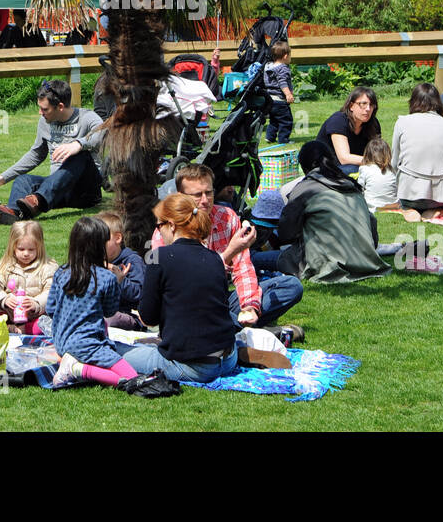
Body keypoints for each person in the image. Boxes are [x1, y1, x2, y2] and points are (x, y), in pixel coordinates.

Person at [152, 163, 303, 328]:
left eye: (208, 193)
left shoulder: (227, 217)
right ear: (181, 196)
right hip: (188, 305)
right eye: (197, 195)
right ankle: (240, 328)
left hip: (221, 299)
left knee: (291, 286)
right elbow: (180, 283)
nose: (205, 200)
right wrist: (229, 253)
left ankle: (237, 324)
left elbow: (243, 267)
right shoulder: (168, 229)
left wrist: (250, 306)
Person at [121, 192, 241, 384]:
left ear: (172, 225)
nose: (158, 232)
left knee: (115, 351)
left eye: (159, 226)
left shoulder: (159, 257)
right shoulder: (214, 258)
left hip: (192, 366)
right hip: (227, 360)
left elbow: (148, 318)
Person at [0, 79, 105, 223]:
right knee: (23, 180)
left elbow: (105, 132)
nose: (40, 113)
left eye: (45, 109)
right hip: (57, 191)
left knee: (80, 156)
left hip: (86, 191)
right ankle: (13, 213)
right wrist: (2, 178)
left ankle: (37, 200)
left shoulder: (86, 117)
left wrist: (79, 144)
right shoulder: (45, 122)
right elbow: (35, 155)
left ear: (60, 106)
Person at [276, 140, 392, 283]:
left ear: (304, 166)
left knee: (258, 258)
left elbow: (285, 233)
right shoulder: (351, 185)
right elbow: (371, 224)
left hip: (326, 265)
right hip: (366, 261)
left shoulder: (305, 189)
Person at [47, 217, 142, 388]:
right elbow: (110, 311)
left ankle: (72, 363)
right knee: (132, 378)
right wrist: (118, 282)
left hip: (61, 342)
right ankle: (78, 369)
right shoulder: (106, 278)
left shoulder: (61, 272)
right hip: (88, 344)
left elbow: (51, 308)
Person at [391, 82, 443, 221]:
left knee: (406, 197)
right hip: (441, 197)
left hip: (409, 194)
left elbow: (394, 162)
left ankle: (409, 209)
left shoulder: (401, 123)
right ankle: (438, 210)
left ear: (413, 102)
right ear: (438, 102)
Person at [0, 221, 58, 334]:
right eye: (21, 249)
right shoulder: (6, 265)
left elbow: (52, 290)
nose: (26, 254)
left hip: (34, 316)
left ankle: (19, 330)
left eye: (31, 249)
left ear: (40, 247)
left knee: (43, 326)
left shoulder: (47, 266)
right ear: (13, 247)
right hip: (8, 314)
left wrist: (36, 303)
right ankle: (9, 327)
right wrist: (4, 299)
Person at [95, 210, 144, 329]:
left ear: (117, 238)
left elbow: (140, 293)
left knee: (109, 319)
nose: (96, 245)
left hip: (127, 314)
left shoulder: (131, 261)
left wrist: (120, 281)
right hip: (100, 311)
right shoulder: (95, 261)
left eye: (101, 240)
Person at [316, 86, 381, 174]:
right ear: (351, 106)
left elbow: (377, 152)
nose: (368, 109)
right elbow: (344, 158)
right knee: (356, 170)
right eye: (363, 104)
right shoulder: (338, 121)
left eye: (371, 105)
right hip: (328, 167)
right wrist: (375, 162)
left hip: (357, 164)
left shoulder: (373, 123)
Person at [263, 40, 295, 143]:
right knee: (286, 121)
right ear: (285, 56)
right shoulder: (283, 68)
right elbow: (282, 82)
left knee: (274, 120)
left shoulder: (268, 66)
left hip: (270, 99)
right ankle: (283, 139)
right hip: (280, 100)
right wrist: (288, 94)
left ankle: (269, 137)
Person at [356, 136, 398, 212]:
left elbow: (359, 188)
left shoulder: (364, 168)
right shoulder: (393, 169)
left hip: (372, 204)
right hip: (392, 203)